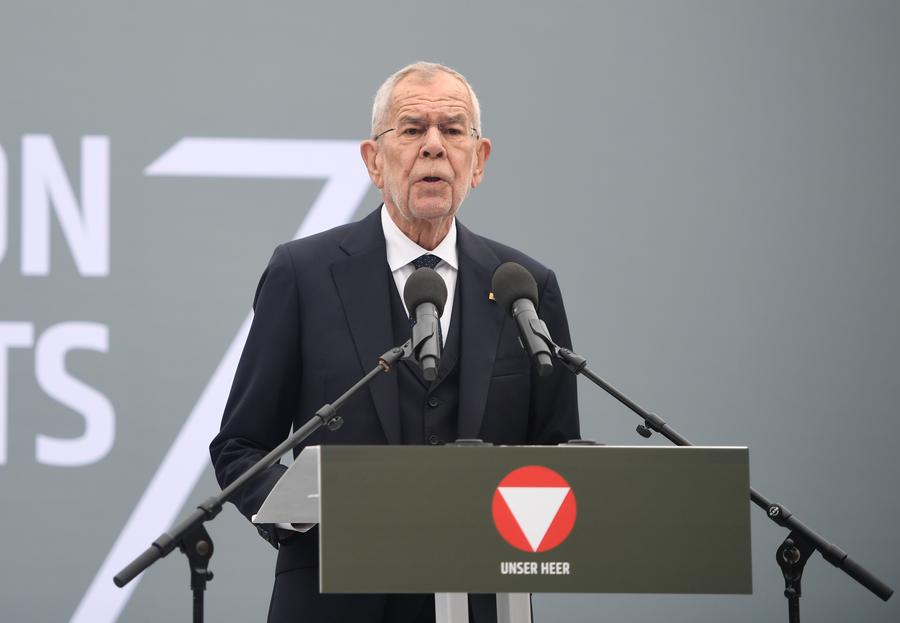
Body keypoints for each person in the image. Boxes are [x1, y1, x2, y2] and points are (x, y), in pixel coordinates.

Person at [210, 61, 580, 623]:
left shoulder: (524, 287)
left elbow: (557, 456)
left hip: (484, 599)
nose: (434, 146)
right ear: (373, 161)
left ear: (478, 160)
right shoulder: (303, 274)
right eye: (411, 129)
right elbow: (240, 445)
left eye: (453, 130)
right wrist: (302, 511)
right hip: (334, 599)